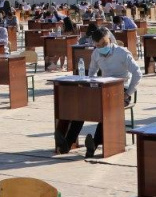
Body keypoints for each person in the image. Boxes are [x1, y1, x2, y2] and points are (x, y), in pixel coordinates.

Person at [55, 29, 142, 158]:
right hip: (103, 88)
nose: (101, 47)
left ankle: (93, 145)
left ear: (109, 39)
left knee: (105, 111)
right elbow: (91, 73)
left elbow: (137, 73)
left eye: (103, 44)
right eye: (98, 45)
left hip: (120, 90)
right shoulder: (96, 53)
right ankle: (67, 143)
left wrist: (128, 93)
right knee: (82, 109)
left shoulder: (122, 53)